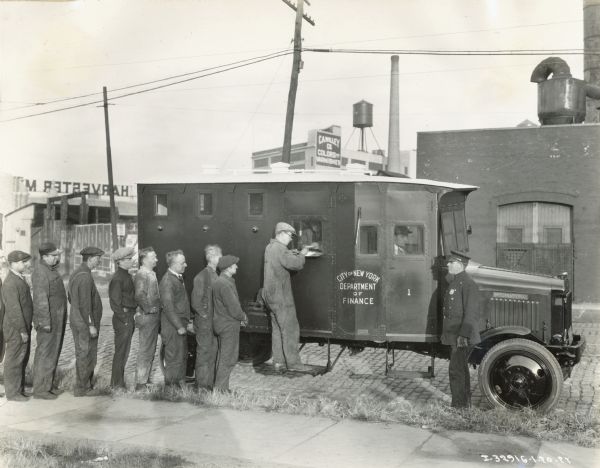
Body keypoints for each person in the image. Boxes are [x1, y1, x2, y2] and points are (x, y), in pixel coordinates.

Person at [263, 222, 310, 372]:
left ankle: (279, 362)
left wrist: (293, 252)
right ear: (281, 233)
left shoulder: (270, 247)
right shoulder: (280, 249)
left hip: (270, 296)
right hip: (281, 296)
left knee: (277, 329)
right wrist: (302, 254)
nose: (290, 239)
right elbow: (295, 264)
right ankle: (294, 364)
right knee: (290, 328)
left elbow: (282, 258)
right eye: (290, 235)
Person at [441, 250, 481, 409]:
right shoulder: (456, 282)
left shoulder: (467, 284)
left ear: (460, 264)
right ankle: (464, 405)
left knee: (456, 371)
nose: (448, 264)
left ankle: (459, 407)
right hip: (457, 336)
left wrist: (463, 336)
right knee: (461, 370)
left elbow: (471, 313)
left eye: (451, 262)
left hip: (462, 337)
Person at [32, 242, 67, 400]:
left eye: (57, 255)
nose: (57, 258)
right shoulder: (41, 272)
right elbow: (40, 300)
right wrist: (45, 322)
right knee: (45, 353)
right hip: (48, 321)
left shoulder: (50, 269)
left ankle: (48, 385)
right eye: (54, 256)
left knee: (53, 352)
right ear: (45, 256)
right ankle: (40, 390)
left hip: (56, 319)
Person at [68, 246, 104, 397]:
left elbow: (71, 297)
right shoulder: (84, 276)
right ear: (90, 259)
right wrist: (90, 324)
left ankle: (84, 385)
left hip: (78, 321)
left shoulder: (78, 273)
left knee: (83, 353)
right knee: (86, 354)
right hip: (84, 324)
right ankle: (82, 388)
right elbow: (85, 305)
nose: (99, 260)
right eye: (97, 258)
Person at [212, 255, 247, 392]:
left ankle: (222, 388)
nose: (236, 267)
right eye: (234, 265)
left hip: (222, 324)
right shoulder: (225, 284)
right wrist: (243, 316)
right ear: (227, 268)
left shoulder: (220, 281)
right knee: (228, 358)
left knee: (224, 357)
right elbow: (233, 308)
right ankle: (220, 391)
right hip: (228, 325)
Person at [1, 250, 33, 401]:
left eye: (26, 261)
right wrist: (22, 330)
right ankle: (13, 393)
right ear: (13, 263)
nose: (26, 264)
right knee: (14, 360)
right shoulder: (10, 282)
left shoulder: (18, 279)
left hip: (21, 327)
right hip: (16, 329)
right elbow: (14, 310)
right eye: (23, 262)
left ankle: (18, 390)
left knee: (21, 358)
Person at [191, 244, 222, 391]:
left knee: (212, 353)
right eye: (220, 256)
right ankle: (202, 386)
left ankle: (208, 385)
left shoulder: (215, 274)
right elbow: (196, 302)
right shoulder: (202, 276)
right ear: (213, 257)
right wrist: (205, 316)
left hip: (213, 323)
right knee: (204, 354)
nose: (221, 259)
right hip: (205, 324)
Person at [159, 249, 191, 389]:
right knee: (173, 358)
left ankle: (179, 384)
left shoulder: (177, 277)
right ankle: (170, 389)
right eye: (183, 263)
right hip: (172, 327)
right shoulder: (167, 281)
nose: (186, 265)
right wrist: (179, 326)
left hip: (178, 325)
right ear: (173, 264)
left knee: (181, 356)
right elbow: (168, 307)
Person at [133, 246, 161, 391]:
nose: (156, 259)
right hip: (147, 317)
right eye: (153, 257)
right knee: (145, 349)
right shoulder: (142, 274)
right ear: (144, 259)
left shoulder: (151, 273)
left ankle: (144, 380)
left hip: (152, 317)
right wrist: (149, 309)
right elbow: (139, 295)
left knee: (150, 349)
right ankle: (140, 384)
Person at [109, 246, 137, 389]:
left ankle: (118, 383)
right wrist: (125, 319)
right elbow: (114, 302)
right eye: (128, 259)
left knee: (124, 351)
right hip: (123, 318)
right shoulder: (118, 278)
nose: (131, 261)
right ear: (120, 261)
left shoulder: (126, 275)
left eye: (130, 258)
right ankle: (116, 384)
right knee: (121, 352)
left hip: (128, 316)